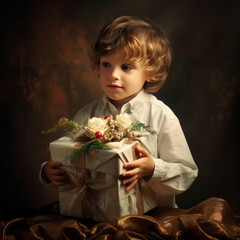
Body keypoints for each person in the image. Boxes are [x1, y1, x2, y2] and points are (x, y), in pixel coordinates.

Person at [40, 16, 198, 209]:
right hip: (96, 214)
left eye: (126, 67)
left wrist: (153, 169)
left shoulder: (161, 116)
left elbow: (187, 172)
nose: (113, 74)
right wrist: (50, 170)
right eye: (106, 64)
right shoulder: (87, 114)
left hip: (152, 218)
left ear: (150, 72)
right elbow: (71, 159)